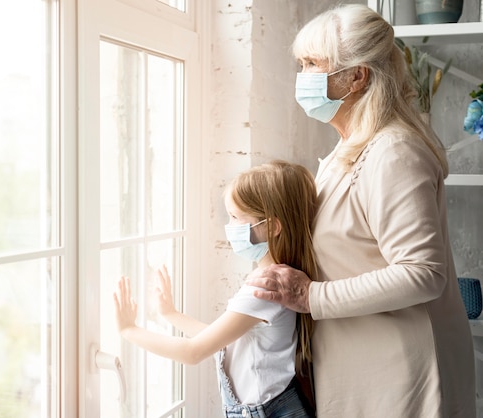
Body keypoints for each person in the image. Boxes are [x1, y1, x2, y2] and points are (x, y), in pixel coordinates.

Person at [245, 4, 476, 418]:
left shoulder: (393, 152)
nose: (303, 76)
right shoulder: (347, 150)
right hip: (363, 370)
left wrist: (310, 295)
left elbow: (422, 274)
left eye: (313, 63)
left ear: (357, 76)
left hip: (403, 379)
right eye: (301, 64)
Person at [114, 160, 317, 418]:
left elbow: (194, 352)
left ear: (272, 227)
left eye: (235, 218)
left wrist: (128, 330)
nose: (230, 228)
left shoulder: (265, 288)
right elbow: (224, 340)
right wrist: (171, 314)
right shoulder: (278, 278)